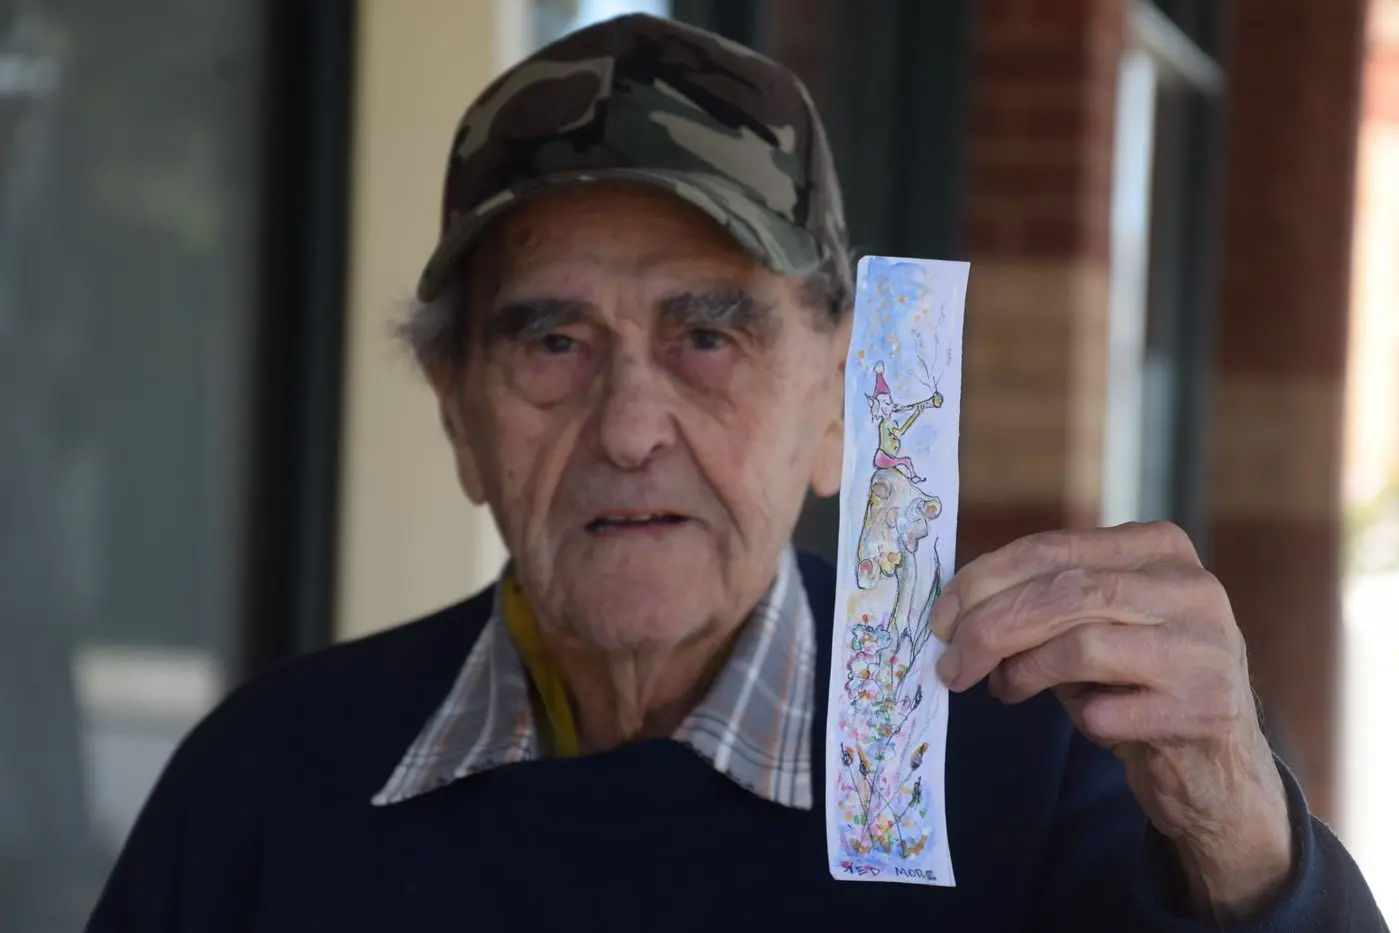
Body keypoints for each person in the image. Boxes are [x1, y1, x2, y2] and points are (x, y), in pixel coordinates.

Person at [87, 13, 1386, 933]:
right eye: (551, 341)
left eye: (708, 337)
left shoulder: (1045, 770)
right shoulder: (267, 784)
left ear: (839, 404)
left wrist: (1238, 840)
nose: (630, 427)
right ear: (460, 419)